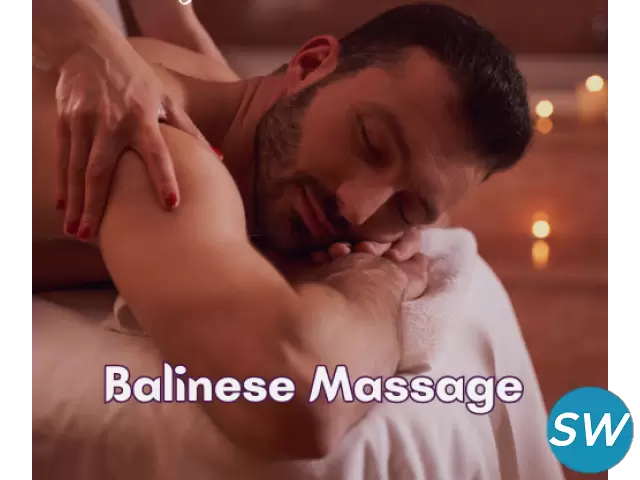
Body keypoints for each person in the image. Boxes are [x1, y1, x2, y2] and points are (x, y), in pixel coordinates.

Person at [32, 0, 533, 461]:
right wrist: (379, 282)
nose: (356, 209)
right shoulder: (158, 152)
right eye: (372, 143)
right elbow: (299, 400)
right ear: (310, 65)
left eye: (406, 207)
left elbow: (439, 215)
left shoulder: (210, 85)